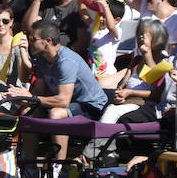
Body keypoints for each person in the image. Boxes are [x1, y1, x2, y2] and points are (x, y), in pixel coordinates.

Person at [11, 22, 107, 161]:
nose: (30, 42)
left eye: (33, 39)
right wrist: (22, 98)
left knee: (56, 113)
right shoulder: (42, 59)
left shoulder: (66, 61)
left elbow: (63, 101)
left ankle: (58, 166)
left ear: (48, 41)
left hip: (91, 106)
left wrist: (33, 98)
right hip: (69, 104)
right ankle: (30, 166)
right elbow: (39, 92)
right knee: (28, 113)